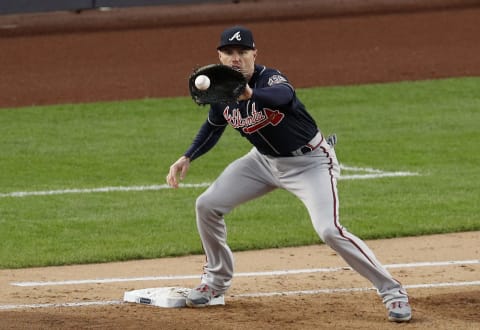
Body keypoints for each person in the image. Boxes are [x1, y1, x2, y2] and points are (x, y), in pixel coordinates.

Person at [166, 25, 412, 322]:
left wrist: (249, 93)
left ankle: (393, 292)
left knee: (329, 230)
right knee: (207, 205)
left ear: (254, 53)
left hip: (311, 163)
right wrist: (187, 155)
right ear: (219, 56)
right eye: (229, 53)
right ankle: (215, 284)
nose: (235, 58)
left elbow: (283, 95)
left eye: (242, 52)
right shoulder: (220, 92)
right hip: (262, 163)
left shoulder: (270, 78)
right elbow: (213, 126)